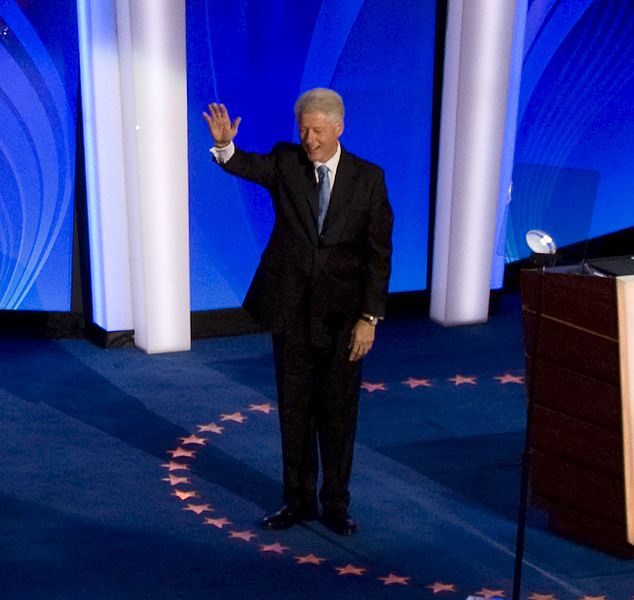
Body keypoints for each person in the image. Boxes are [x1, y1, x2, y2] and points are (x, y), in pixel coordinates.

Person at [203, 88, 393, 536]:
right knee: (294, 411)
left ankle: (336, 504)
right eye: (304, 130)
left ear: (339, 128)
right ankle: (297, 500)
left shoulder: (368, 179)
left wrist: (370, 317)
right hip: (291, 313)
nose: (309, 140)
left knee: (338, 413)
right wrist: (225, 145)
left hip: (344, 321)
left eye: (318, 132)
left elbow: (378, 254)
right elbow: (246, 165)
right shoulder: (288, 162)